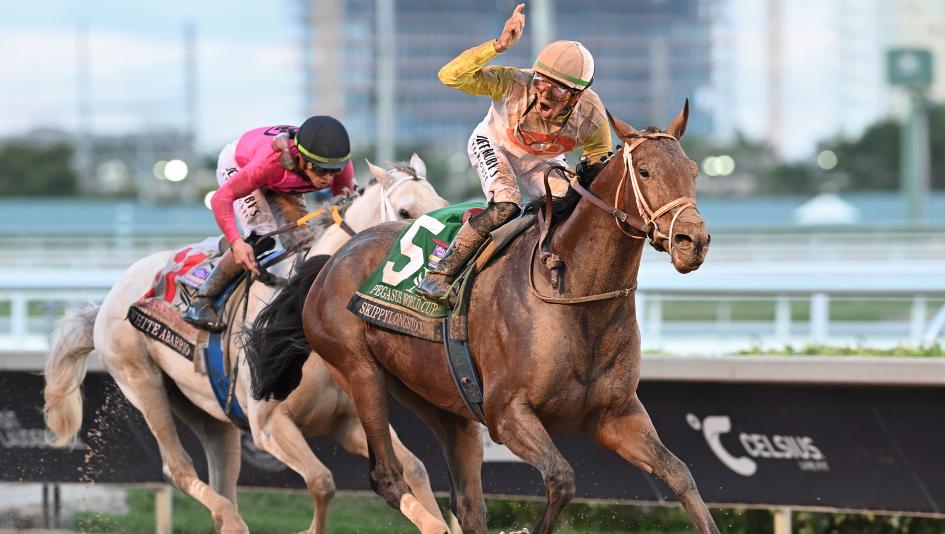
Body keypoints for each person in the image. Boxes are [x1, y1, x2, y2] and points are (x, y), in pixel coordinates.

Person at [416, 2, 613, 301]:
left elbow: (599, 167)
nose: (543, 93)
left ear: (577, 96)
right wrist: (498, 46)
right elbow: (450, 76)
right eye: (540, 81)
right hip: (493, 144)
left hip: (542, 161)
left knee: (573, 207)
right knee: (507, 205)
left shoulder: (593, 117)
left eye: (557, 90)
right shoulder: (512, 83)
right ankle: (439, 275)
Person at [183, 115, 355, 331]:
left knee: (305, 244)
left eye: (334, 171)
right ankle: (201, 300)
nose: (328, 179)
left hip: (280, 180)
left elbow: (342, 212)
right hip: (241, 165)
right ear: (301, 159)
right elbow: (221, 198)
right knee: (262, 238)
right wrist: (236, 242)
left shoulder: (342, 166)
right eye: (320, 169)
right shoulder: (269, 163)